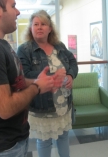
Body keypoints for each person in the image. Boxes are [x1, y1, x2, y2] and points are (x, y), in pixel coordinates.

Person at [0, 0, 61, 157]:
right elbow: (5, 107)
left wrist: (39, 82)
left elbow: (14, 81)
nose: (18, 12)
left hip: (14, 141)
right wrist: (37, 88)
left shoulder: (1, 44)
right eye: (13, 6)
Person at [17, 10, 78, 157]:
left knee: (64, 137)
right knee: (44, 141)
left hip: (63, 103)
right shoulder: (24, 50)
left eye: (43, 24)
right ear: (31, 28)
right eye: (36, 24)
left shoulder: (59, 46)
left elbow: (72, 62)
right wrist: (54, 77)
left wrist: (70, 75)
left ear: (50, 28)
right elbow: (24, 75)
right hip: (42, 105)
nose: (39, 27)